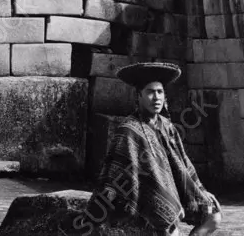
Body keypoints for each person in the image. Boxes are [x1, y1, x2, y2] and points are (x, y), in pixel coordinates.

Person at [84, 62, 222, 236]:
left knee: (214, 217)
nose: (156, 97)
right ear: (139, 96)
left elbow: (182, 162)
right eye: (150, 92)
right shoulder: (129, 130)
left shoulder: (167, 126)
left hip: (173, 191)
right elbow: (117, 173)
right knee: (169, 229)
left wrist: (201, 191)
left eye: (160, 92)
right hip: (142, 197)